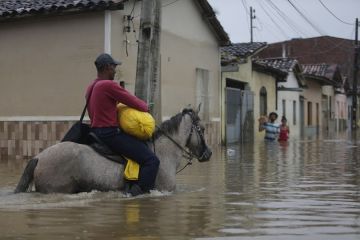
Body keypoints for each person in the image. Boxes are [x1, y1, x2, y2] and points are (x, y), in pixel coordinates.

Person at [86, 53, 159, 196]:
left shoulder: (91, 87)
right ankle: (138, 194)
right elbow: (131, 100)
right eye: (114, 67)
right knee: (151, 160)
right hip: (109, 134)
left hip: (94, 131)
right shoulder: (108, 85)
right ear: (107, 68)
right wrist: (145, 107)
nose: (115, 71)